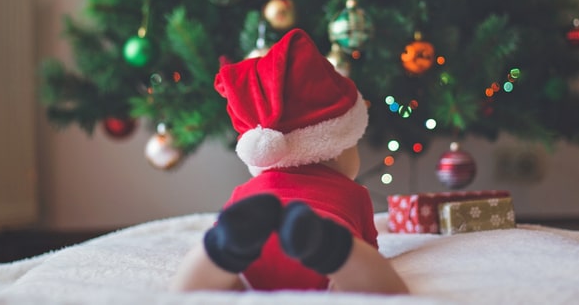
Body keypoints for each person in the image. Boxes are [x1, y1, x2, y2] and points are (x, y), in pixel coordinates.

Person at [170, 28, 408, 294]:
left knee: (211, 286)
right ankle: (334, 248)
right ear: (338, 147)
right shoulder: (355, 194)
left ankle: (222, 250)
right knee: (378, 284)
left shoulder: (245, 194)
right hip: (322, 253)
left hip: (254, 252)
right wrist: (351, 252)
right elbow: (373, 252)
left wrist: (230, 241)